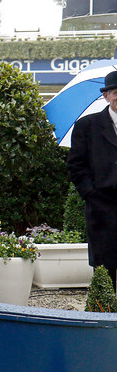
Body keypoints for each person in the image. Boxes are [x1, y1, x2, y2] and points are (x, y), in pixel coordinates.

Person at [67, 69, 117, 289]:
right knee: (106, 271)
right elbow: (76, 166)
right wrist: (91, 194)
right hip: (102, 208)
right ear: (106, 96)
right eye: (116, 92)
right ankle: (106, 316)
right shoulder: (87, 126)